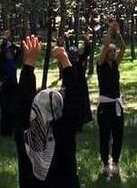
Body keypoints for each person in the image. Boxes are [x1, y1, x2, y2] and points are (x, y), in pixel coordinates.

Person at [14, 35, 84, 188]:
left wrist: (30, 62)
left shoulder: (26, 133)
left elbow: (22, 102)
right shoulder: (65, 130)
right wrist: (65, 60)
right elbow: (75, 99)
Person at [97, 19, 127, 178]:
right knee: (104, 135)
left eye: (114, 52)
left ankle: (115, 161)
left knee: (118, 134)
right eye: (110, 51)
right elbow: (106, 46)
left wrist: (118, 33)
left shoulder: (115, 64)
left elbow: (123, 47)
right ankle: (105, 163)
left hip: (117, 105)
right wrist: (110, 31)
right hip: (105, 106)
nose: (113, 53)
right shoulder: (100, 64)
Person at [0, 28, 21, 137]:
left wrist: (12, 45)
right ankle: (5, 132)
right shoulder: (1, 61)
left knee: (14, 109)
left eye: (10, 51)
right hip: (5, 87)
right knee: (5, 110)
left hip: (14, 87)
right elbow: (2, 50)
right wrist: (5, 41)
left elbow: (20, 50)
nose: (9, 52)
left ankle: (12, 130)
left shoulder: (14, 60)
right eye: (7, 51)